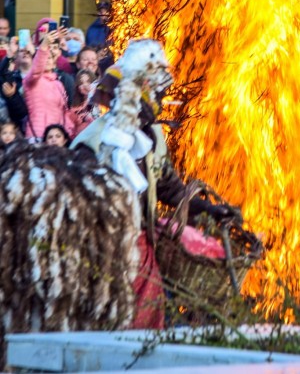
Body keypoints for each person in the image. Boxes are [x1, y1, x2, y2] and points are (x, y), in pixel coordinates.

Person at [72, 38, 237, 328]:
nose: (161, 102)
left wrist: (211, 210)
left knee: (147, 327)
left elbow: (170, 188)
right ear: (136, 95)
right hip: (102, 258)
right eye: (156, 94)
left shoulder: (153, 137)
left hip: (142, 253)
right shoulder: (93, 143)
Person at [23, 30, 73, 142]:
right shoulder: (31, 80)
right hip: (38, 135)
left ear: (54, 61)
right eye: (44, 57)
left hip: (56, 136)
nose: (46, 59)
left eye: (49, 57)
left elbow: (64, 111)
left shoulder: (58, 83)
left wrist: (68, 131)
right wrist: (44, 45)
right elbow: (36, 70)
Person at [66, 71, 95, 137]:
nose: (85, 85)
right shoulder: (72, 103)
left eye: (88, 82)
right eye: (81, 83)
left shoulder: (99, 101)